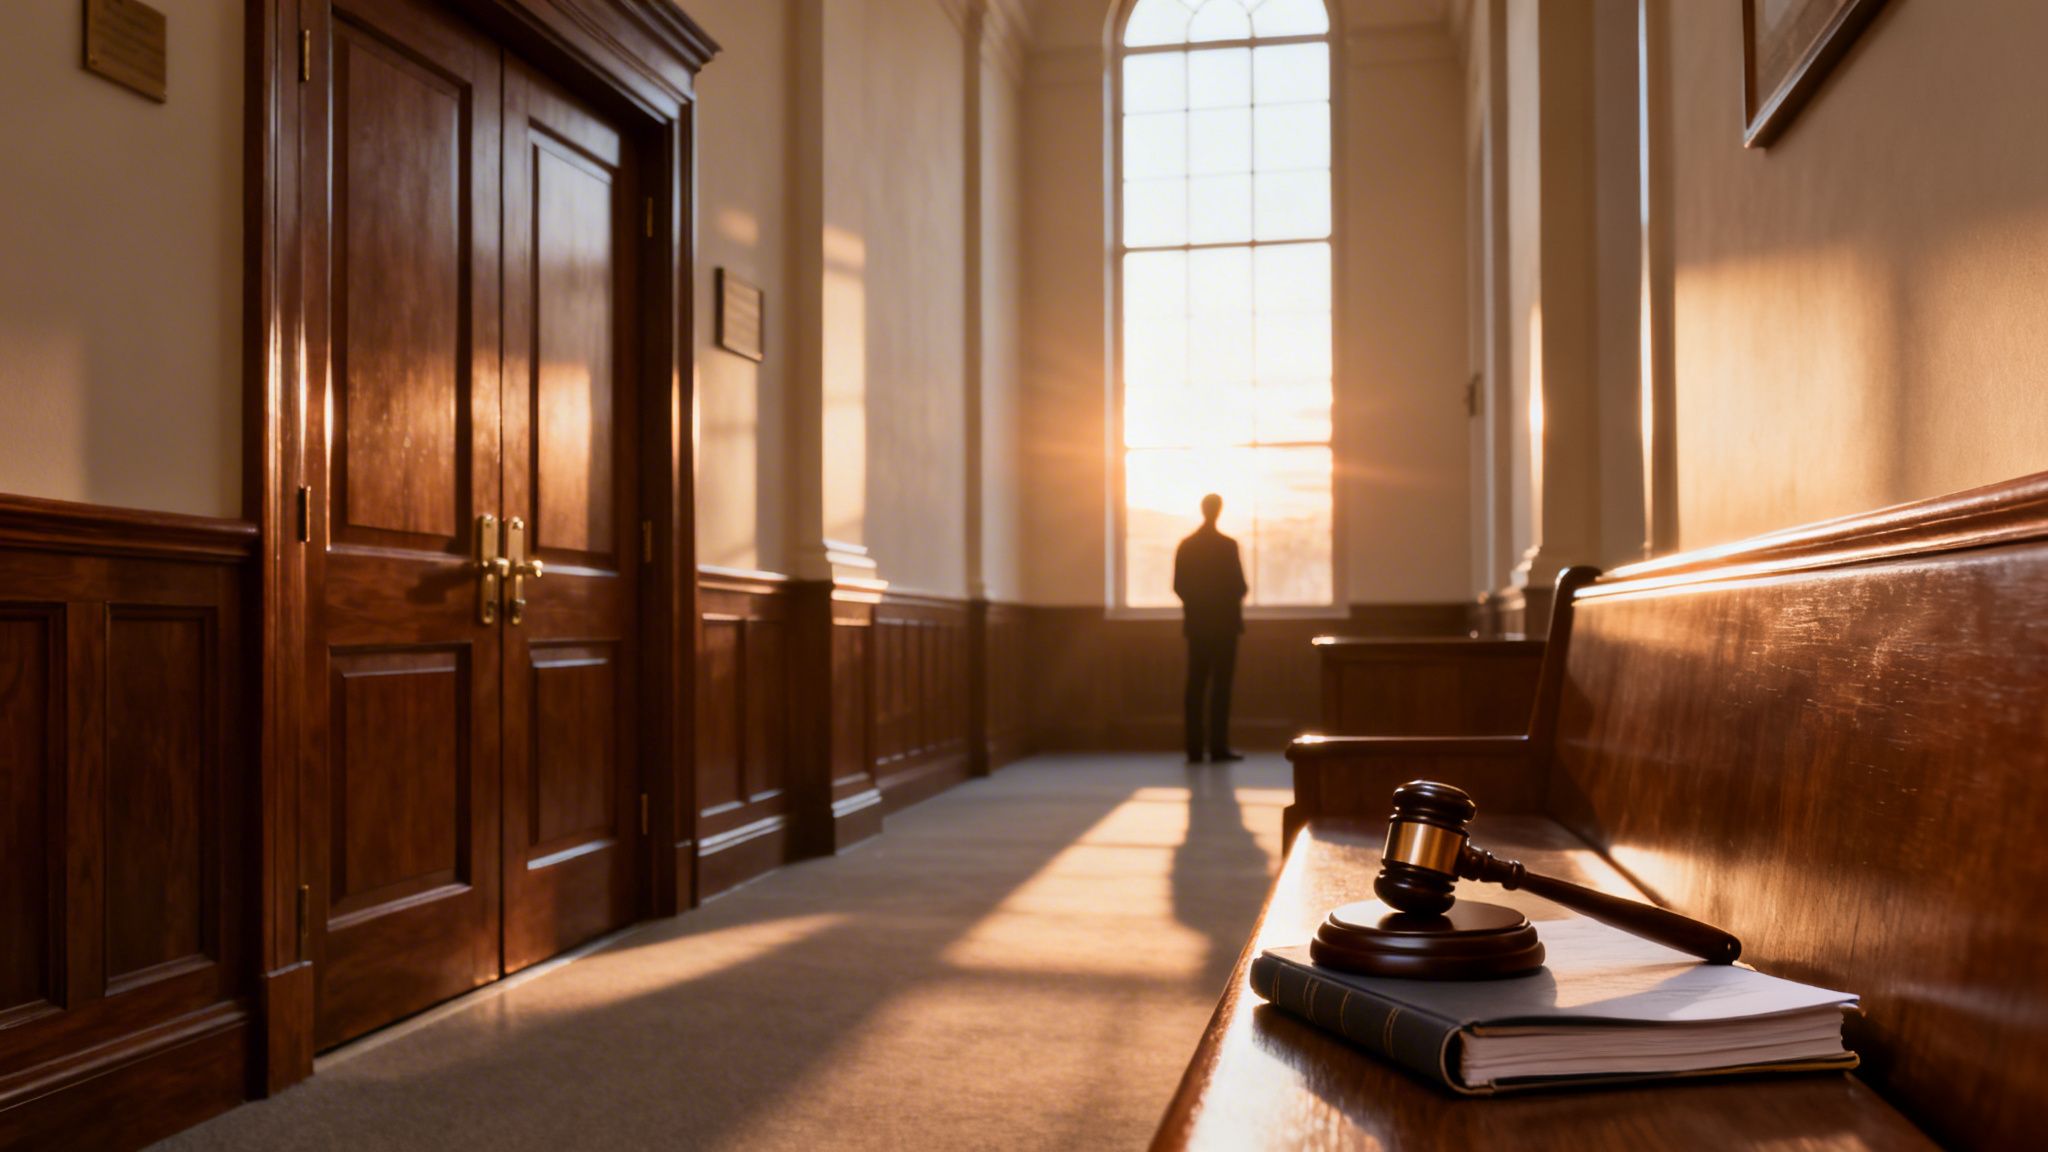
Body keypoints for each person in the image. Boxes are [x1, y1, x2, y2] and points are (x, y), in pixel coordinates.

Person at [1173, 493, 1248, 763]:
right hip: (1225, 626)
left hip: (1198, 625)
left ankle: (1193, 747)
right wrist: (1222, 602)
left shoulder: (1187, 546)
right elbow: (1240, 586)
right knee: (1221, 687)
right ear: (1219, 511)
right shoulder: (1228, 546)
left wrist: (1200, 604)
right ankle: (1218, 746)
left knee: (1195, 685)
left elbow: (1179, 586)